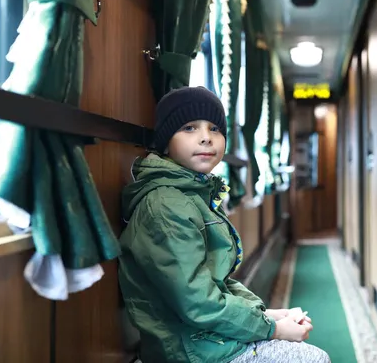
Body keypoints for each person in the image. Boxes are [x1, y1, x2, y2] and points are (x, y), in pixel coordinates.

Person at [118, 86, 331, 363]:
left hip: (203, 339)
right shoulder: (165, 206)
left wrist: (265, 315)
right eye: (189, 128)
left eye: (215, 128)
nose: (206, 138)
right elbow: (198, 302)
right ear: (165, 141)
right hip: (189, 350)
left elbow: (216, 283)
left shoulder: (190, 195)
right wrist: (274, 329)